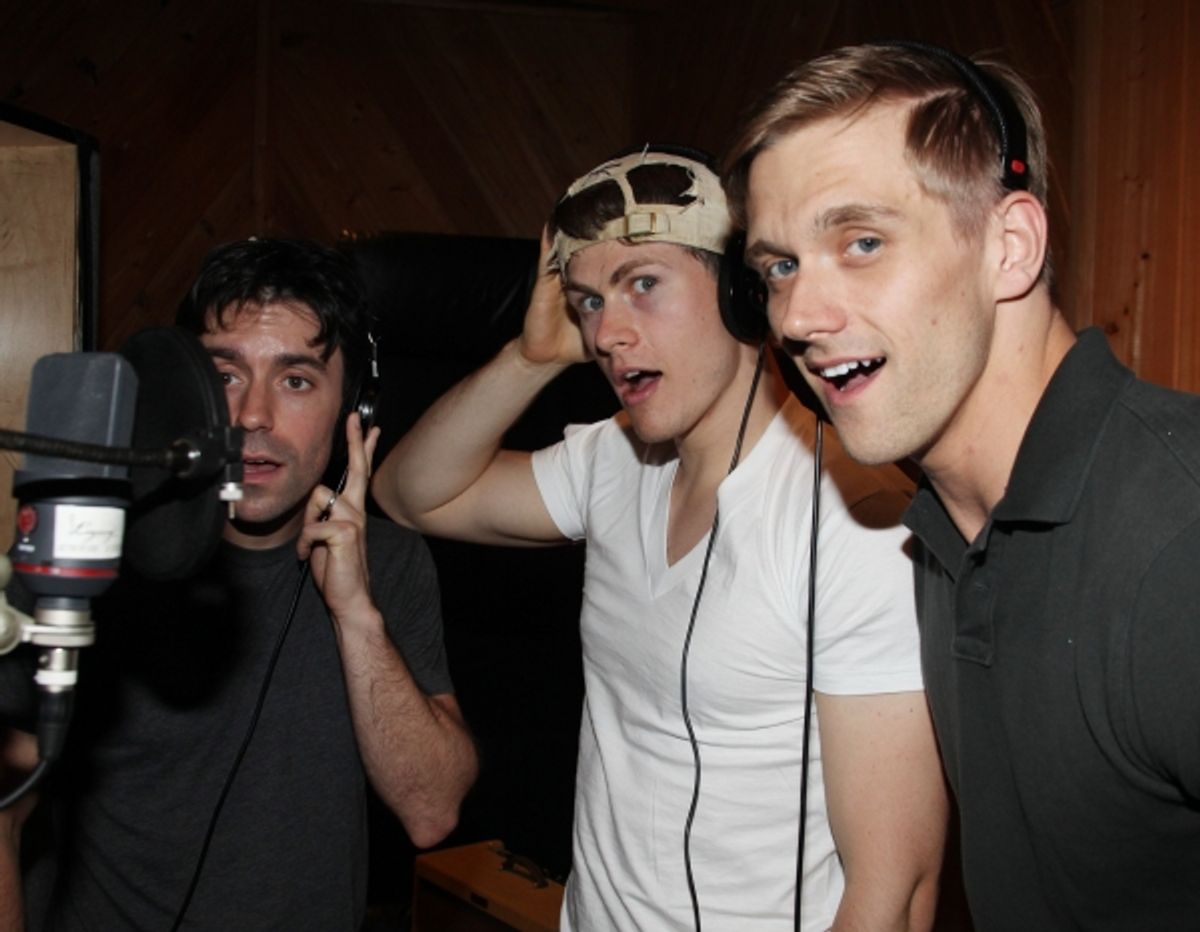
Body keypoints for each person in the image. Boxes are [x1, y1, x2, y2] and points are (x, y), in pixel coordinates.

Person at [372, 147, 947, 931]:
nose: (607, 332)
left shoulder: (857, 526)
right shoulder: (610, 459)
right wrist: (530, 358)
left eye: (643, 284)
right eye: (586, 301)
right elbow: (410, 494)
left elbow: (897, 894)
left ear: (744, 292)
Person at [725, 40, 1200, 930]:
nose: (794, 317)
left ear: (1009, 247)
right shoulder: (948, 531)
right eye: (779, 266)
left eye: (860, 242)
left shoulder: (1180, 538)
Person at [0, 238, 478, 931]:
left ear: (357, 410)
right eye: (225, 375)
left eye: (296, 381)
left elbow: (431, 809)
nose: (253, 416)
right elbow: (5, 812)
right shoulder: (94, 560)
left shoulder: (389, 563)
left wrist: (355, 614)